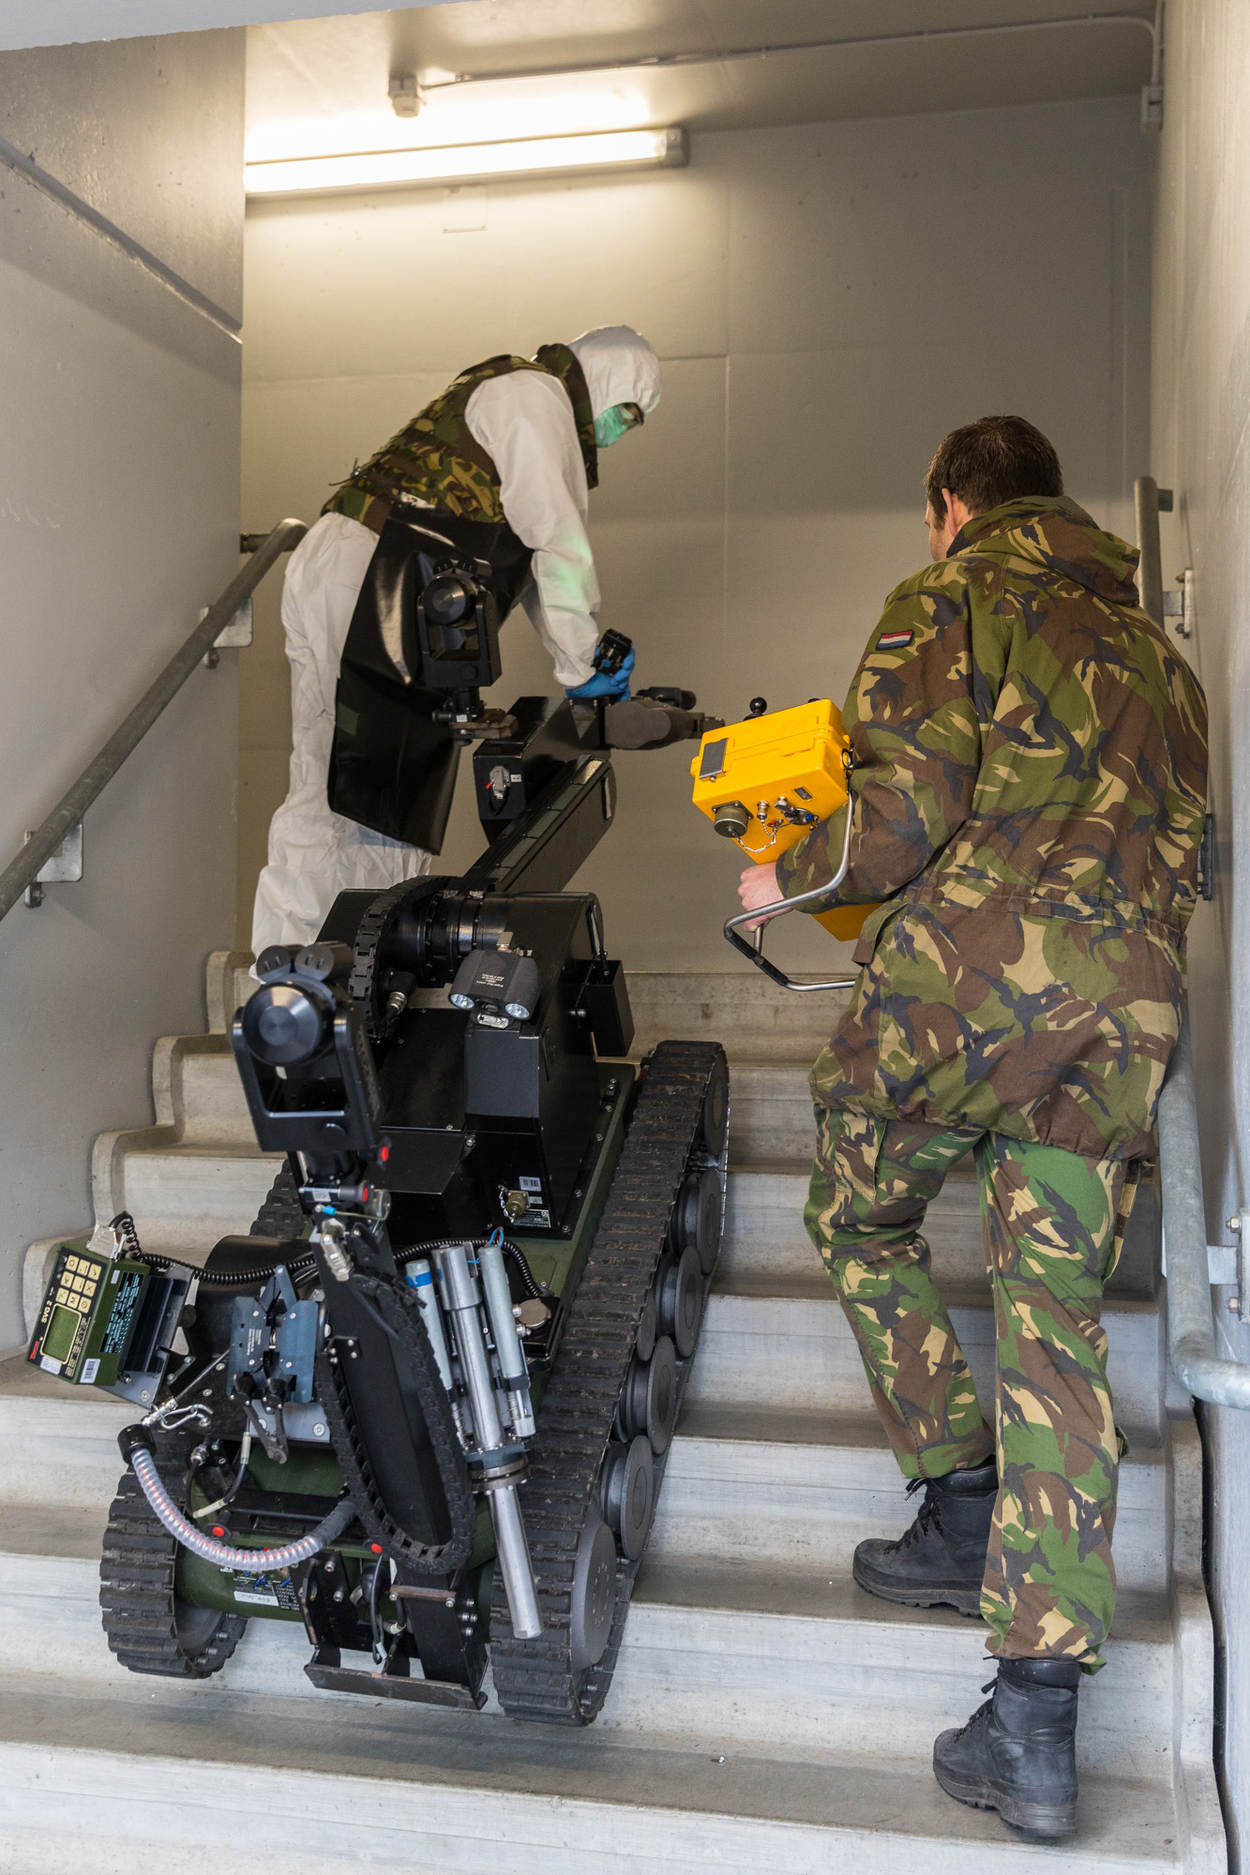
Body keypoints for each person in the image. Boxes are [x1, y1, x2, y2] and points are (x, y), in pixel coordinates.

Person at [737, 416, 1207, 1841]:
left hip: (966, 997)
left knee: (855, 1209)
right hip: (1119, 1015)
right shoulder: (1162, 657)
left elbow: (897, 815)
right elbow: (1180, 853)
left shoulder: (947, 597)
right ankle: (1034, 1726)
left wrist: (780, 872)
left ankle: (953, 1502)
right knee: (1054, 1322)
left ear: (948, 504)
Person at [251, 324, 661, 959]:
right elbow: (556, 543)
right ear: (605, 382)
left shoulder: (513, 391)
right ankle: (313, 968)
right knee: (375, 782)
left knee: (339, 779)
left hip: (354, 564)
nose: (622, 431)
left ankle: (313, 962)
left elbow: (530, 561)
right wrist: (583, 666)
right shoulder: (538, 398)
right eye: (628, 413)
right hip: (377, 576)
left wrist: (578, 657)